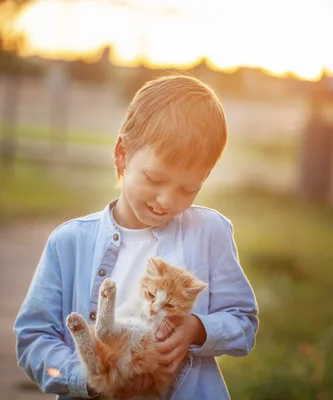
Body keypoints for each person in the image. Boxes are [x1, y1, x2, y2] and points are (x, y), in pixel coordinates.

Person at [14, 74, 259, 399]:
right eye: (154, 178)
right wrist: (85, 377)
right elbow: (33, 339)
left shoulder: (210, 233)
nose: (168, 201)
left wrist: (197, 329)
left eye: (189, 188)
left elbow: (243, 322)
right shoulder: (69, 243)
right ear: (121, 153)